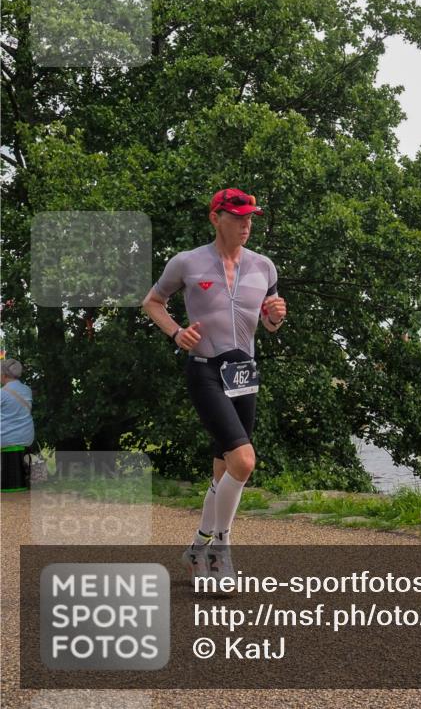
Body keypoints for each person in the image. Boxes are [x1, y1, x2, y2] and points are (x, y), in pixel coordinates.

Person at [141, 188, 286, 584]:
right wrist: (175, 333)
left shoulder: (264, 267)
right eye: (238, 217)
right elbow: (152, 301)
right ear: (215, 218)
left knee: (224, 468)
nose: (246, 224)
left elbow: (270, 321)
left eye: (250, 218)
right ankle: (221, 552)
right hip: (205, 369)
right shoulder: (187, 262)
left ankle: (195, 549)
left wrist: (276, 316)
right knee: (243, 462)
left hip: (244, 374)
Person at [1, 358, 35, 492]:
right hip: (27, 437)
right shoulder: (27, 389)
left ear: (4, 375)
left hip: (7, 439)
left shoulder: (2, 393)